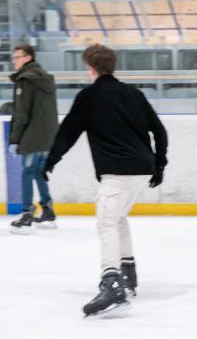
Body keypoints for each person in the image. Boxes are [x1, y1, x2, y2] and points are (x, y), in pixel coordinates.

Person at [43, 44, 168, 316]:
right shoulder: (133, 94)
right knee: (118, 218)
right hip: (142, 168)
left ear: (90, 68)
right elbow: (159, 130)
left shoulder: (89, 97)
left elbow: (67, 133)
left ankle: (111, 281)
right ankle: (128, 273)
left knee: (105, 221)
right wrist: (159, 164)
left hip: (118, 171)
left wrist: (50, 160)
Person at [8, 44, 59, 234]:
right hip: (48, 135)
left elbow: (22, 114)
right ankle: (47, 209)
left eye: (17, 57)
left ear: (28, 57)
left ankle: (27, 214)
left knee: (27, 172)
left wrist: (14, 140)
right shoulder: (45, 77)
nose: (14, 61)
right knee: (38, 172)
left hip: (33, 134)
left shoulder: (25, 80)